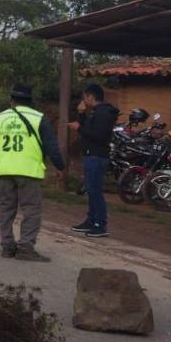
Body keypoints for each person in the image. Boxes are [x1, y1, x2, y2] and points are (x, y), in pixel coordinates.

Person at [0, 84, 66, 261]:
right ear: (30, 101)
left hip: (5, 170)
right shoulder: (39, 118)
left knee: (6, 208)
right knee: (31, 209)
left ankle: (7, 246)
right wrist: (60, 166)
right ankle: (25, 247)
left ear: (11, 100)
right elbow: (51, 146)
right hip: (28, 171)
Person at [69, 84, 119, 238]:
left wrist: (78, 128)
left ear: (90, 97)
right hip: (90, 155)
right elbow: (88, 129)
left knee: (95, 190)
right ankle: (91, 220)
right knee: (90, 189)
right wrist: (81, 115)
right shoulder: (95, 112)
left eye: (85, 97)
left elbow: (98, 136)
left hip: (97, 156)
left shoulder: (103, 113)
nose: (84, 100)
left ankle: (100, 224)